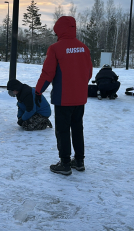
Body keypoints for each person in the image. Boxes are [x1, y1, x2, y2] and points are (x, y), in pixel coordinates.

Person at [35, 16, 92, 176]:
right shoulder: (84, 48)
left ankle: (65, 163)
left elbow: (48, 73)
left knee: (62, 131)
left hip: (63, 98)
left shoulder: (56, 48)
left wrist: (38, 91)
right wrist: (79, 86)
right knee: (77, 128)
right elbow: (88, 73)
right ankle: (79, 161)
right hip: (80, 98)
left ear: (59, 29)